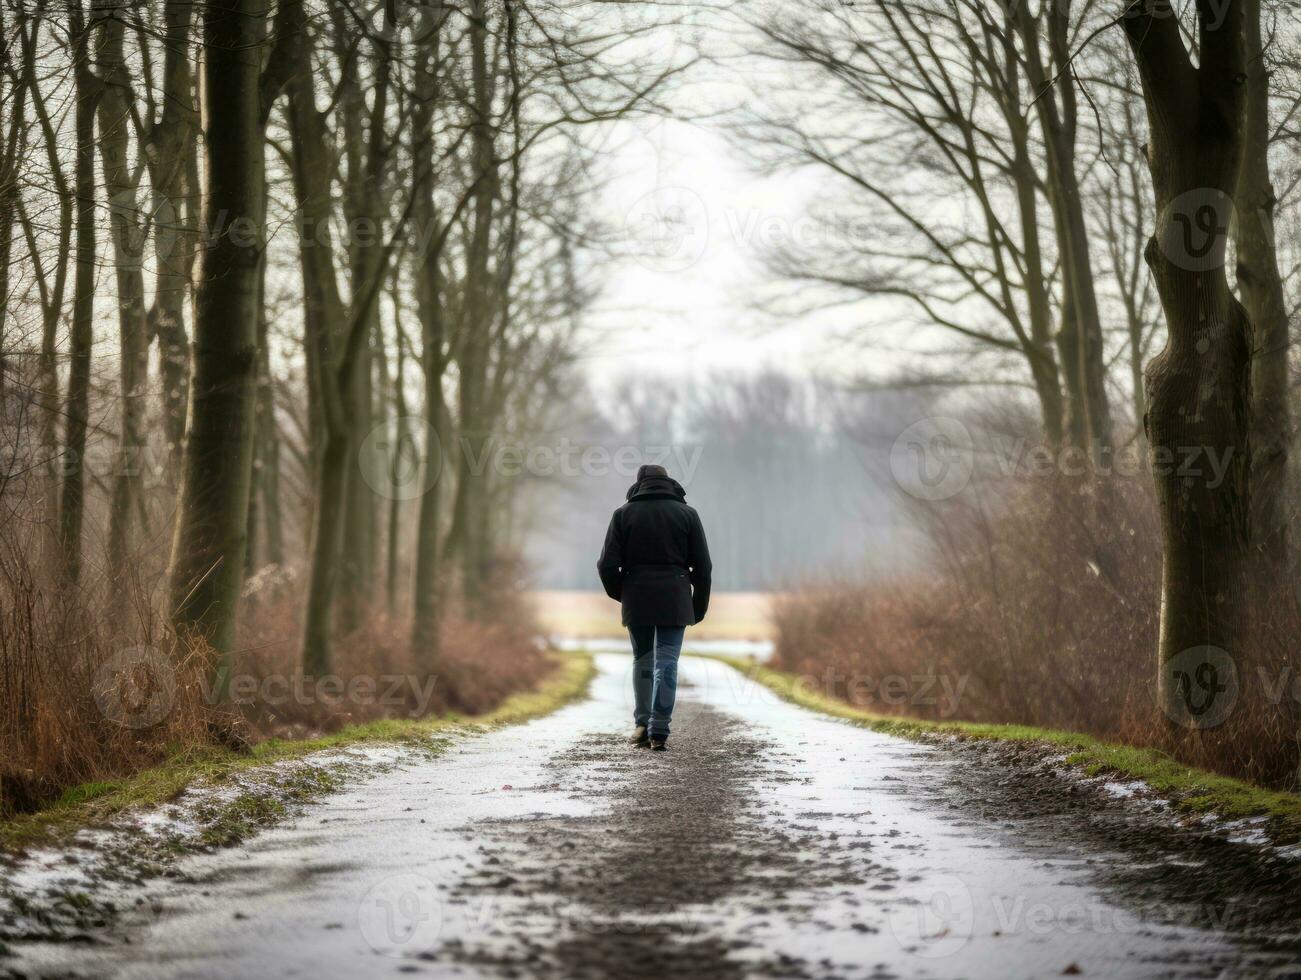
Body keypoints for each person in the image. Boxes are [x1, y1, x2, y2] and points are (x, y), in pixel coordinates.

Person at [597, 464, 711, 752]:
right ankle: (659, 731)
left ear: (639, 485)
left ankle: (641, 723)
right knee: (667, 663)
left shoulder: (623, 514)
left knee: (643, 661)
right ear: (669, 483)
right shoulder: (687, 514)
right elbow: (704, 566)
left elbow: (607, 565)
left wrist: (622, 593)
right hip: (675, 596)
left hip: (637, 594)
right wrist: (697, 606)